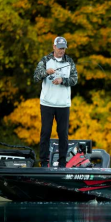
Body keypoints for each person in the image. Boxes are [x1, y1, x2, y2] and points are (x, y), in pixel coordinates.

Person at [33, 36, 78, 168]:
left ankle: (63, 163)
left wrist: (62, 81)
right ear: (54, 47)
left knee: (63, 134)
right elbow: (36, 76)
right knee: (45, 132)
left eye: (63, 48)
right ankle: (44, 162)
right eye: (59, 48)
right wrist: (46, 72)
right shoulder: (45, 60)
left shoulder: (69, 61)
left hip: (63, 104)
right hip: (47, 103)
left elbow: (75, 79)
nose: (61, 50)